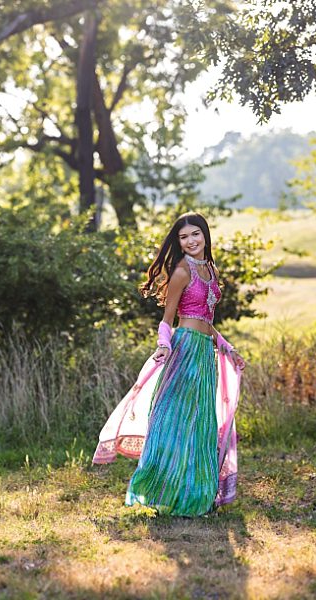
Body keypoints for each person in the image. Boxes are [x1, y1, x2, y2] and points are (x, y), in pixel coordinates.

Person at [94, 213, 245, 517]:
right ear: (179, 242)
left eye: (195, 235)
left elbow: (207, 321)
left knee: (201, 422)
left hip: (204, 354)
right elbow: (168, 320)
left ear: (205, 236)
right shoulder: (181, 272)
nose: (190, 241)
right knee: (175, 418)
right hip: (186, 348)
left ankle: (197, 493)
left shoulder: (211, 270)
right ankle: (159, 487)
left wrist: (228, 349)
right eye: (184, 237)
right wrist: (163, 345)